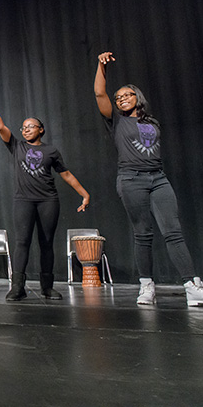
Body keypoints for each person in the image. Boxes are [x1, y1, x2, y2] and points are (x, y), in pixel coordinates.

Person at [94, 51, 203, 306]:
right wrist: (101, 66)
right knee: (143, 233)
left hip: (159, 179)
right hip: (131, 180)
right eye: (118, 97)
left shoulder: (152, 121)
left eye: (126, 95)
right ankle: (146, 287)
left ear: (137, 96)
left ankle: (192, 285)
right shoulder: (116, 122)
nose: (120, 99)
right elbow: (100, 93)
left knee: (173, 232)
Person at [0, 100, 90, 301]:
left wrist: (84, 194)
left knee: (46, 243)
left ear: (41, 130)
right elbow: (0, 126)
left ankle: (47, 287)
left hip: (48, 200)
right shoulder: (17, 146)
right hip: (23, 200)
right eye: (23, 127)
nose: (26, 130)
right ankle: (18, 287)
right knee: (22, 242)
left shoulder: (51, 151)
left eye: (30, 127)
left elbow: (66, 174)